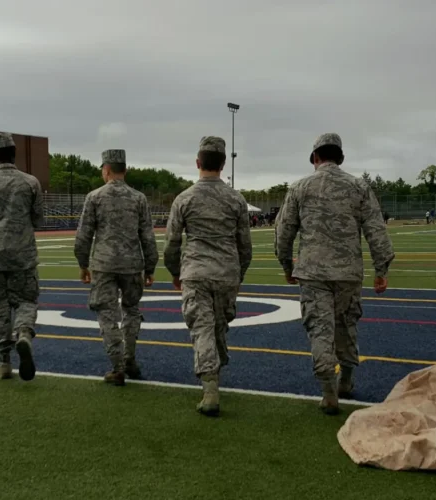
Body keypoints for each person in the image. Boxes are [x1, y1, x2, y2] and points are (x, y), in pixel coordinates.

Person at [275, 133, 395, 415]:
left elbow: (283, 233)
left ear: (315, 157)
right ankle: (347, 380)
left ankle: (328, 390)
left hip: (314, 273)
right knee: (346, 325)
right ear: (340, 158)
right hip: (348, 274)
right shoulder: (359, 187)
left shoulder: (299, 188)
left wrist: (286, 266)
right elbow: (376, 231)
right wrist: (381, 269)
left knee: (320, 329)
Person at [164, 136, 252, 417]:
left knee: (202, 328)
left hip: (196, 272)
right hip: (226, 273)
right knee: (218, 326)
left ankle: (210, 386)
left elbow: (172, 243)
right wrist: (239, 273)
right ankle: (216, 368)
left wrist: (176, 273)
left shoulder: (184, 199)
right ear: (223, 163)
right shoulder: (236, 200)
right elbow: (244, 246)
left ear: (198, 162)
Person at [74, 149, 158, 385]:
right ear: (125, 170)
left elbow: (83, 236)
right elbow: (148, 237)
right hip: (132, 265)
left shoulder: (94, 197)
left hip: (104, 264)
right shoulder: (138, 198)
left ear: (107, 169)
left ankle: (117, 365)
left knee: (106, 313)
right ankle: (130, 359)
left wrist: (83, 264)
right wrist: (150, 267)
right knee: (131, 311)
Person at [0, 132, 45, 381]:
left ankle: (4, 362)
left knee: (0, 306)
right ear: (14, 154)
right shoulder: (31, 183)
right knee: (26, 301)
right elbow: (38, 220)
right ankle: (23, 333)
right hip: (23, 254)